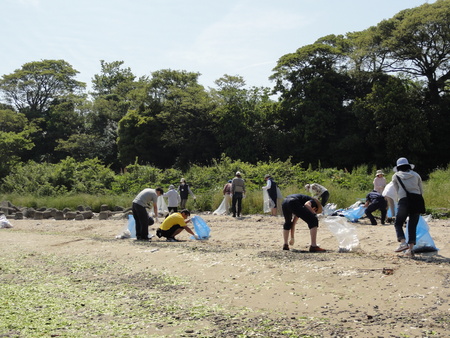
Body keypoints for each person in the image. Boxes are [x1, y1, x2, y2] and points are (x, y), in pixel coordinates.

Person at [391, 157, 424, 257]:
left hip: (404, 200)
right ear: (408, 165)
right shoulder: (416, 175)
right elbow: (420, 190)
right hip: (417, 201)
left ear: (398, 167)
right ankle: (410, 250)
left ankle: (403, 243)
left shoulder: (395, 176)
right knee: (412, 225)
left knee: (398, 223)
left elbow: (397, 190)